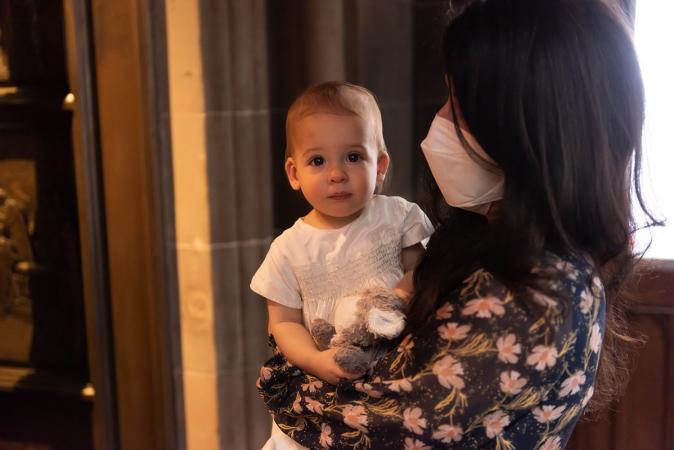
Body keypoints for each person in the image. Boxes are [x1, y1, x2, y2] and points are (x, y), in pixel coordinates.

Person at [257, 0, 658, 448]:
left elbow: (375, 422)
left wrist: (288, 371)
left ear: (517, 123)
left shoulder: (535, 288)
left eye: (456, 101)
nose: (440, 118)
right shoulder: (492, 241)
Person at [251, 81, 434, 449]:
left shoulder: (398, 217)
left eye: (353, 157)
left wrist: (394, 298)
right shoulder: (288, 249)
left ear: (379, 165)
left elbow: (423, 271)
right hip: (325, 384)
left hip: (392, 375)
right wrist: (317, 361)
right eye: (318, 161)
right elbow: (283, 323)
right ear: (294, 173)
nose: (336, 174)